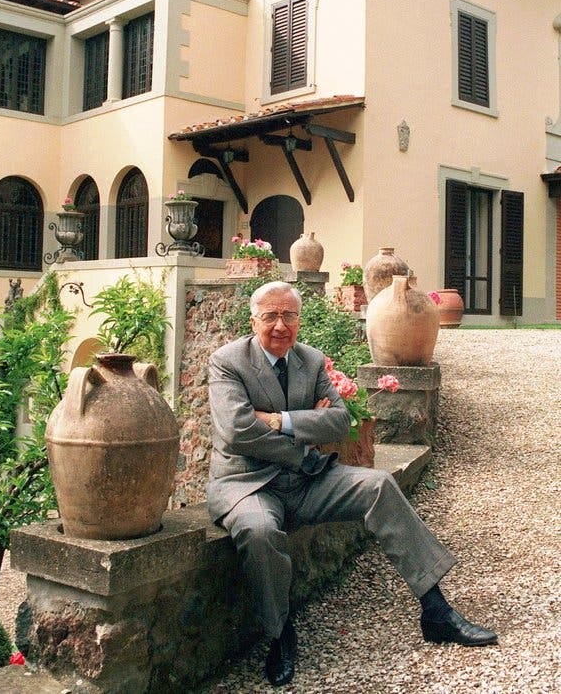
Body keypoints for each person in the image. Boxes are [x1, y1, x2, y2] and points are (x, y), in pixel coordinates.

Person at [207, 281, 497, 687]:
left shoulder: (309, 360)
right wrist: (307, 427)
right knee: (259, 531)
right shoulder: (228, 361)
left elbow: (341, 421)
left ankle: (436, 611)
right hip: (248, 484)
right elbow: (237, 432)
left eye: (288, 315)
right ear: (253, 320)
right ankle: (280, 634)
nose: (279, 325)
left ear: (299, 320)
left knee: (378, 486)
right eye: (270, 316)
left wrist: (279, 420)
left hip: (306, 481)